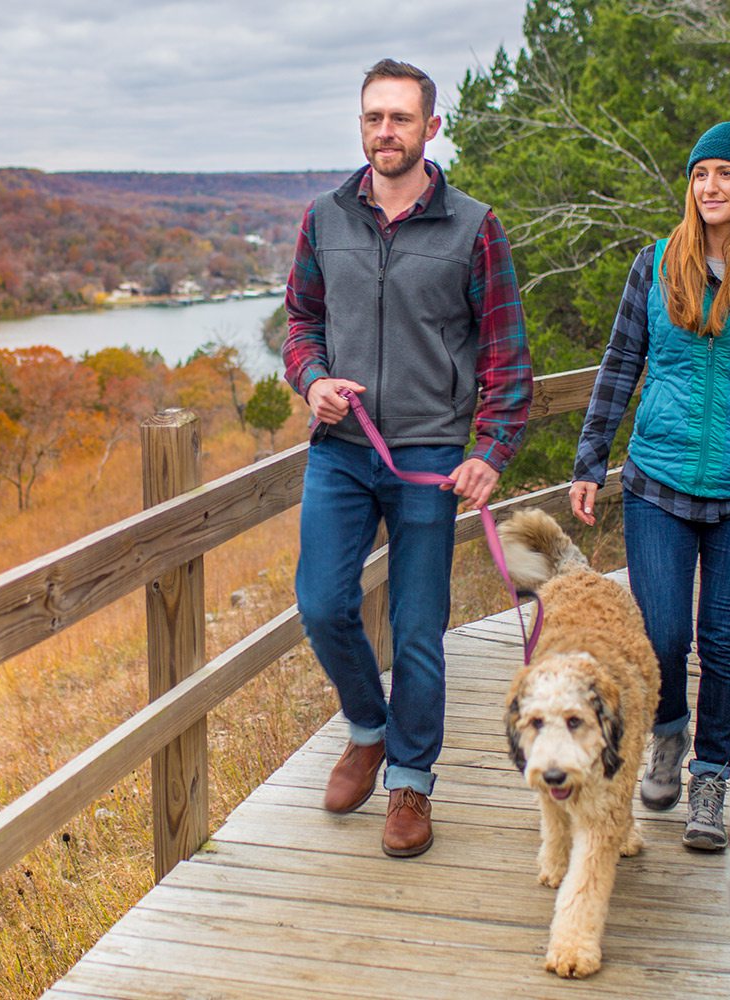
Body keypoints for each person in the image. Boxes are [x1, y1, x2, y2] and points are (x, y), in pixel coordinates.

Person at [283, 58, 533, 858]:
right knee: (321, 604)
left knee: (419, 627)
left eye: (398, 118)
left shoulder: (474, 226)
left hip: (428, 451)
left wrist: (490, 450)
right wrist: (313, 380)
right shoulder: (325, 218)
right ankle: (367, 730)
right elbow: (299, 325)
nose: (383, 132)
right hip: (343, 450)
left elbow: (506, 356)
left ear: (431, 127)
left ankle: (412, 785)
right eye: (371, 118)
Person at [568, 120, 730, 852]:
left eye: (727, 175)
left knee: (723, 640)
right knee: (662, 632)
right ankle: (669, 735)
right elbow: (621, 361)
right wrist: (591, 458)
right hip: (660, 479)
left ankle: (711, 781)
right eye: (700, 174)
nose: (710, 187)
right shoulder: (655, 263)